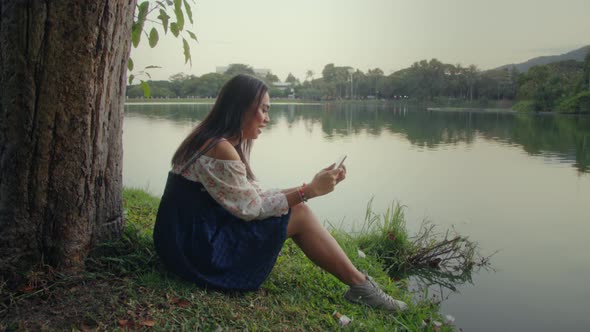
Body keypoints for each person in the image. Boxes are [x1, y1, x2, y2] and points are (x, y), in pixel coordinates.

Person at [153, 74, 407, 312]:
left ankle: (361, 284)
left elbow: (252, 196)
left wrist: (309, 186)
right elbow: (252, 209)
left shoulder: (210, 139)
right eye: (263, 109)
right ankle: (361, 286)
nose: (267, 117)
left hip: (180, 244)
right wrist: (308, 192)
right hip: (196, 254)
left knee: (297, 207)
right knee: (301, 213)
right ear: (241, 108)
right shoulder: (220, 148)